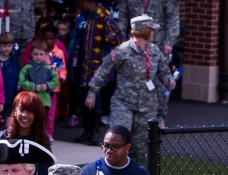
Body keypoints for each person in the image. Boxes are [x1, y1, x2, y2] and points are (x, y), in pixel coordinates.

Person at [85, 15, 176, 164]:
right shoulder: (122, 50)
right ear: (143, 31)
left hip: (147, 106)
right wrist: (92, 93)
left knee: (140, 148)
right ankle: (111, 173)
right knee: (117, 140)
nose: (154, 33)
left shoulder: (154, 51)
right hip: (123, 103)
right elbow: (103, 70)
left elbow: (163, 72)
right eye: (151, 30)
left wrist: (169, 80)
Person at [72, 0, 123, 145]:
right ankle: (86, 131)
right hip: (83, 65)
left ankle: (95, 133)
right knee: (83, 100)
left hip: (97, 67)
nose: (78, 5)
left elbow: (118, 38)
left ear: (88, 2)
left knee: (95, 100)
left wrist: (109, 38)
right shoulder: (83, 16)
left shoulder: (105, 17)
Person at [41, 24, 67, 143]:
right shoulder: (41, 53)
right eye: (46, 39)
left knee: (51, 113)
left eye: (51, 38)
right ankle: (40, 132)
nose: (48, 41)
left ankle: (49, 133)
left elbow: (62, 68)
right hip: (41, 88)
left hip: (53, 88)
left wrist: (62, 76)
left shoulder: (59, 53)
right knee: (40, 111)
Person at [18, 41, 58, 111]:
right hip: (30, 100)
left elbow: (55, 81)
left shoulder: (49, 68)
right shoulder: (27, 68)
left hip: (44, 101)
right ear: (31, 54)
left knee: (42, 120)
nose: (38, 57)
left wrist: (47, 86)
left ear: (46, 54)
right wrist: (33, 86)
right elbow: (22, 81)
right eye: (35, 54)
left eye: (41, 54)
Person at [0, 32, 20, 124]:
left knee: (8, 121)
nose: (7, 48)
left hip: (10, 95)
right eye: (4, 46)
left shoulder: (15, 60)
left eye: (9, 46)